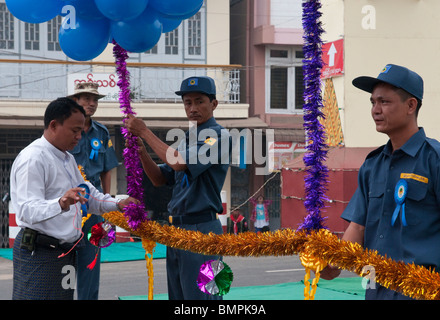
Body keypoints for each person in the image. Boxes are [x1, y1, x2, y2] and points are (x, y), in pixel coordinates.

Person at [320, 64, 440, 300]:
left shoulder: (433, 160)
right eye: (373, 102)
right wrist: (332, 263)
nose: (375, 110)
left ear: (411, 105)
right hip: (377, 291)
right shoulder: (372, 165)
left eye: (384, 102)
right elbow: (359, 226)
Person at [10, 97, 138, 300]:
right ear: (54, 125)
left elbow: (89, 195)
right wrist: (60, 203)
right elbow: (27, 210)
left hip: (65, 252)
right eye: (75, 130)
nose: (79, 136)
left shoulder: (67, 158)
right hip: (41, 253)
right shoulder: (34, 159)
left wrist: (118, 204)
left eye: (81, 130)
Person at [125, 76, 230, 300]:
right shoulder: (187, 139)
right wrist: (142, 151)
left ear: (214, 104)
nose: (193, 108)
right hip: (177, 230)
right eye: (187, 102)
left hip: (203, 229)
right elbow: (160, 179)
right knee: (180, 297)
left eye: (199, 101)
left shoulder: (219, 136)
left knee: (202, 300)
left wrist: (144, 132)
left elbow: (179, 163)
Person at [68, 82, 119, 300]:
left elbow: (107, 169)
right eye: (86, 98)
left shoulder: (102, 132)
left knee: (91, 261)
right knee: (64, 260)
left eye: (95, 99)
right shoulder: (67, 129)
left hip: (94, 206)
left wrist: (107, 204)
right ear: (75, 102)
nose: (91, 103)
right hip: (69, 205)